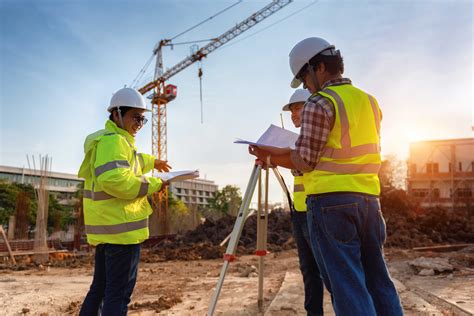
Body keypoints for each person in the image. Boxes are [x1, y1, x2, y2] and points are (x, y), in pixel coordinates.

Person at [249, 37, 403, 315]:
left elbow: (305, 161)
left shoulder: (319, 103)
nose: (306, 86)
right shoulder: (369, 101)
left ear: (319, 67)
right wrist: (275, 153)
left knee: (348, 286)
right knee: (379, 281)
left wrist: (272, 155)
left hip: (332, 205)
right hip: (369, 201)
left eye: (304, 77)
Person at [78, 87, 171, 315]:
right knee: (117, 295)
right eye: (135, 117)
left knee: (100, 289)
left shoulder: (114, 141)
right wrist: (156, 184)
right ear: (117, 114)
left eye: (143, 119)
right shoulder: (114, 142)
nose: (139, 124)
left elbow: (132, 161)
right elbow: (117, 181)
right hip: (121, 234)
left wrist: (153, 162)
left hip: (110, 231)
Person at [283, 89, 325, 316]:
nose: (293, 114)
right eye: (291, 110)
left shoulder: (314, 137)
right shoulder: (297, 141)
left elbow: (303, 165)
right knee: (309, 270)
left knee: (327, 270)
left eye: (297, 108)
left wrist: (276, 156)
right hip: (300, 211)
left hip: (316, 211)